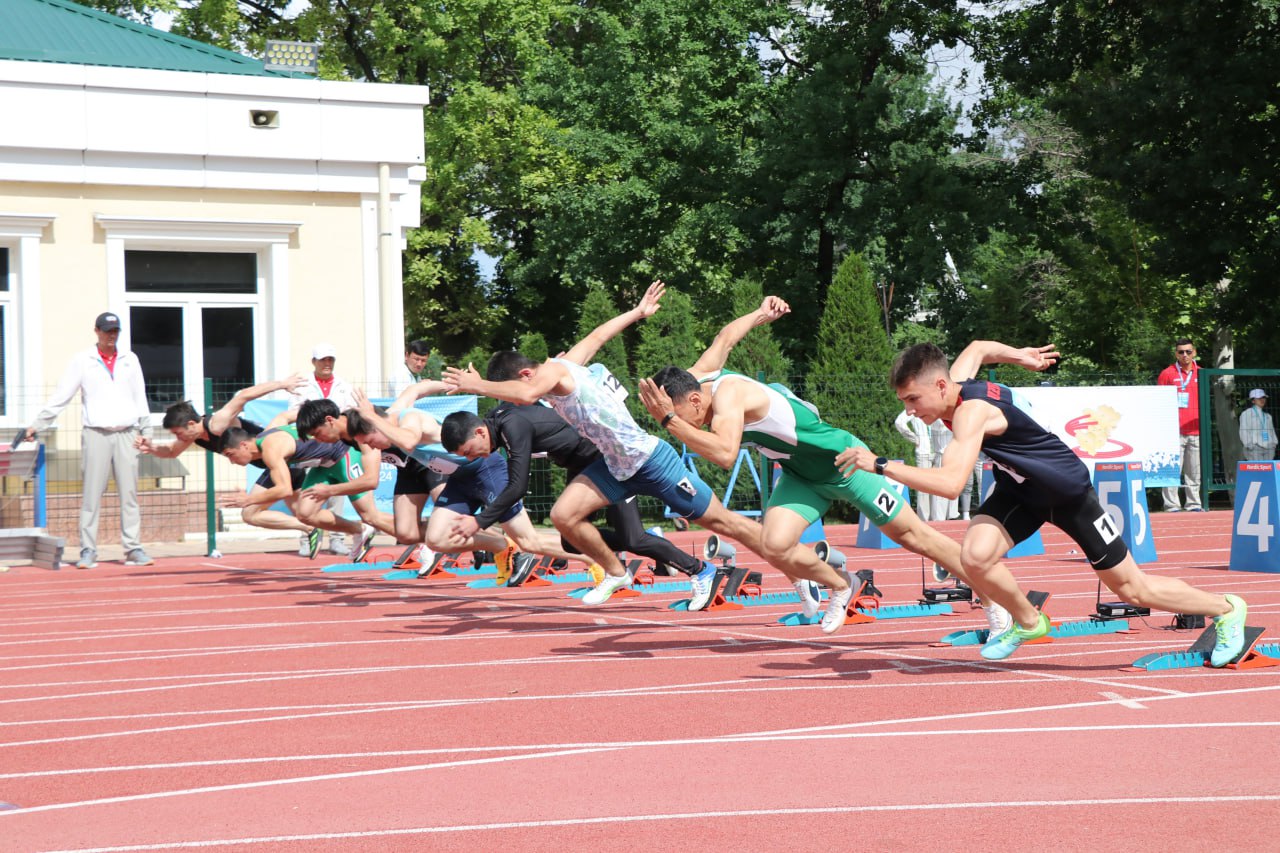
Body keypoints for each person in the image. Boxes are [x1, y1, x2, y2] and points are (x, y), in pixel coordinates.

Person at [443, 282, 852, 624]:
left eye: (515, 395)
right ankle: (617, 573)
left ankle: (800, 575)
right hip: (613, 466)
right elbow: (600, 336)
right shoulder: (568, 362)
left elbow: (527, 392)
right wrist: (637, 312)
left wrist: (476, 386)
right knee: (564, 516)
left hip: (651, 460)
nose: (519, 405)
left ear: (527, 373)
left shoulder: (545, 376)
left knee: (732, 526)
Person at [836, 340, 1248, 665]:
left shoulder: (970, 413)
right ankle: (1029, 622)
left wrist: (881, 464)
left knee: (1132, 590)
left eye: (912, 400)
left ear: (940, 386)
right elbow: (979, 347)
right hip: (1021, 493)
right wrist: (1022, 357)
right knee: (975, 556)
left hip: (1067, 493)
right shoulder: (954, 382)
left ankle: (1226, 608)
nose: (910, 411)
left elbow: (949, 483)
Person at [641, 296, 1015, 637]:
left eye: (676, 415)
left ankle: (994, 602)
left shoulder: (729, 397)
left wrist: (667, 422)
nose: (678, 424)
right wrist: (758, 314)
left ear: (693, 400)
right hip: (801, 476)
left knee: (915, 537)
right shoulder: (698, 377)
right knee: (774, 544)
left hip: (845, 464)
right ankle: (841, 584)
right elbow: (724, 339)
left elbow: (724, 454)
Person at [440, 403, 715, 586]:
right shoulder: (499, 421)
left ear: (479, 431)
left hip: (610, 463)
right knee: (572, 541)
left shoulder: (512, 427)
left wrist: (478, 521)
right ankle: (650, 542)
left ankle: (699, 569)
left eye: (467, 451)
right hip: (585, 468)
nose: (470, 458)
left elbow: (517, 487)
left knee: (633, 538)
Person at [342, 389, 565, 584]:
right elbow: (415, 389)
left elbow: (409, 441)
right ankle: (502, 546)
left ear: (378, 425)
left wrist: (371, 415)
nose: (371, 447)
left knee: (529, 539)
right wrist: (442, 384)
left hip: (485, 467)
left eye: (370, 441)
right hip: (460, 479)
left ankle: (594, 557)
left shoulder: (409, 419)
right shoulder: (390, 415)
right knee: (436, 539)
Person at [24, 312, 153, 569]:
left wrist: (146, 431)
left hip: (127, 433)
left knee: (129, 494)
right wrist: (38, 424)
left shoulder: (130, 359)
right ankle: (88, 550)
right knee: (91, 495)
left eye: (115, 331)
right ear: (96, 331)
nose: (111, 335)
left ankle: (133, 547)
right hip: (96, 433)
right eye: (107, 331)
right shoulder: (83, 360)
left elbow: (140, 395)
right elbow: (62, 395)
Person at [136, 375, 318, 550]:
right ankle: (318, 531)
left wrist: (282, 384)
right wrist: (151, 447)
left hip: (277, 458)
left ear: (191, 423)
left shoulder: (217, 423)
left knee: (250, 514)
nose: (178, 438)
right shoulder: (194, 436)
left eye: (178, 433)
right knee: (306, 514)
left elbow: (244, 395)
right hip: (281, 464)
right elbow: (170, 451)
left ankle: (312, 529)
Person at [220, 400, 393, 562]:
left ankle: (416, 538)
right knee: (305, 514)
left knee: (370, 516)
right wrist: (305, 416)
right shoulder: (269, 434)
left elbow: (284, 490)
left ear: (243, 445)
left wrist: (249, 500)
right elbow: (284, 417)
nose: (232, 461)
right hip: (322, 465)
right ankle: (360, 530)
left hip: (342, 454)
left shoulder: (270, 449)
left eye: (230, 455)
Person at [289, 343, 359, 552]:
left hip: (336, 444)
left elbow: (349, 411)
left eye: (330, 360)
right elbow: (294, 412)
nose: (327, 364)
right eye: (323, 360)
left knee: (337, 492)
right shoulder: (303, 385)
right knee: (308, 489)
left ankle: (337, 538)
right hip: (311, 444)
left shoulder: (344, 385)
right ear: (314, 362)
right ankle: (308, 537)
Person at [1157, 338, 1203, 511]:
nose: (1185, 355)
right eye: (1181, 352)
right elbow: (1159, 402)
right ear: (1176, 353)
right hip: (1173, 431)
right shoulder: (1167, 374)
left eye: (1188, 351)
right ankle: (1171, 505)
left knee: (1195, 471)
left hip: (1196, 430)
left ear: (1194, 352)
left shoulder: (1202, 373)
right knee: (1172, 470)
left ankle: (1194, 503)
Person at [893, 410, 932, 521]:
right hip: (923, 451)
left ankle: (939, 520)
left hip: (940, 451)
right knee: (924, 486)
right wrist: (914, 438)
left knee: (940, 486)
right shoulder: (914, 408)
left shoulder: (934, 405)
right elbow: (899, 422)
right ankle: (924, 519)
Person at [1239, 389, 1277, 462]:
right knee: (1257, 471)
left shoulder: (1268, 416)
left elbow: (1272, 431)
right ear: (1253, 401)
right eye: (1259, 398)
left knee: (1267, 471)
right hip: (1254, 447)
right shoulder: (1246, 414)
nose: (1262, 400)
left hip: (1269, 447)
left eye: (1263, 397)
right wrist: (1248, 444)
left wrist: (1274, 443)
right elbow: (1243, 430)